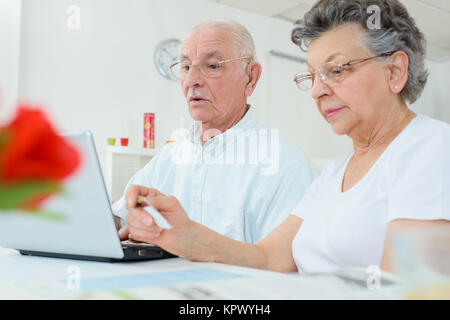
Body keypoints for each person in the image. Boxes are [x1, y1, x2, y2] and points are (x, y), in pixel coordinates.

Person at [121, 0, 450, 274]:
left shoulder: (430, 149)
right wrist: (187, 236)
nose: (318, 90)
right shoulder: (334, 174)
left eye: (336, 70)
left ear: (394, 72)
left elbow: (409, 292)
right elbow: (269, 258)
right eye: (312, 76)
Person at [113, 19, 314, 244]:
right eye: (186, 67)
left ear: (251, 78)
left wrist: (187, 241)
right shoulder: (169, 158)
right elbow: (119, 219)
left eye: (213, 66)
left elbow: (280, 265)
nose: (191, 80)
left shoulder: (285, 164)